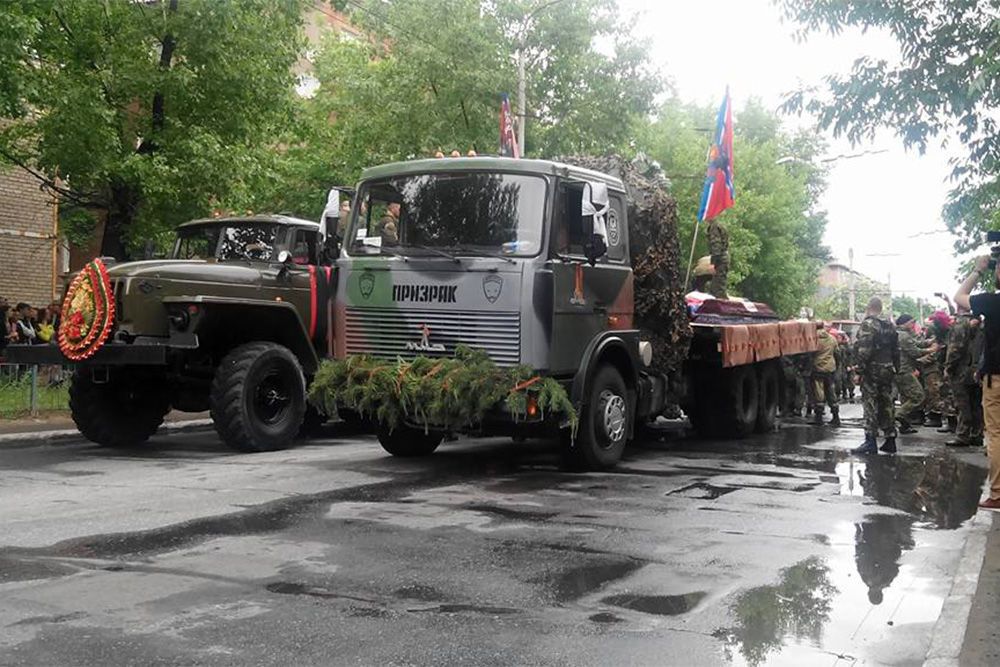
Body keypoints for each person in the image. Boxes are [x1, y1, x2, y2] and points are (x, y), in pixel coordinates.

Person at [955, 255, 1000, 511]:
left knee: (996, 435)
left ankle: (998, 492)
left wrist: (978, 270)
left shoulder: (993, 302)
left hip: (997, 378)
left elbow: (960, 296)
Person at [853, 297, 899, 455]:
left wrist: (859, 371)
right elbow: (896, 350)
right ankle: (890, 439)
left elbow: (864, 350)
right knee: (886, 403)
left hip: (872, 369)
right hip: (887, 368)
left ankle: (870, 441)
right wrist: (896, 368)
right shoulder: (890, 325)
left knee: (870, 404)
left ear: (868, 307)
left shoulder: (869, 324)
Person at [945, 306, 984, 447]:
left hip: (961, 369)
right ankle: (977, 434)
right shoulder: (981, 323)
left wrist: (948, 367)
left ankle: (963, 435)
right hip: (977, 369)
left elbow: (955, 348)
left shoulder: (960, 324)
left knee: (962, 404)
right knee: (976, 403)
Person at [894, 314, 933, 434]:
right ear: (904, 323)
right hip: (904, 371)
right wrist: (931, 350)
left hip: (901, 370)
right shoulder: (903, 336)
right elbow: (915, 352)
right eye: (912, 322)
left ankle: (904, 425)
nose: (913, 325)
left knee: (906, 398)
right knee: (918, 396)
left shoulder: (901, 334)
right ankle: (899, 414)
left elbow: (916, 343)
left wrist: (930, 342)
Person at [811, 323, 841, 426]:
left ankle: (819, 418)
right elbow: (837, 353)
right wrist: (836, 365)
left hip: (817, 368)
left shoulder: (813, 338)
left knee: (819, 392)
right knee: (831, 391)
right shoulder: (832, 338)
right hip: (830, 369)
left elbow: (809, 354)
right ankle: (836, 417)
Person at [707, 218, 729, 299]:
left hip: (720, 259)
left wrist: (712, 263)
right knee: (716, 287)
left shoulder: (714, 227)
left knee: (718, 289)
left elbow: (716, 245)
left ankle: (721, 307)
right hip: (723, 258)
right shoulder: (720, 225)